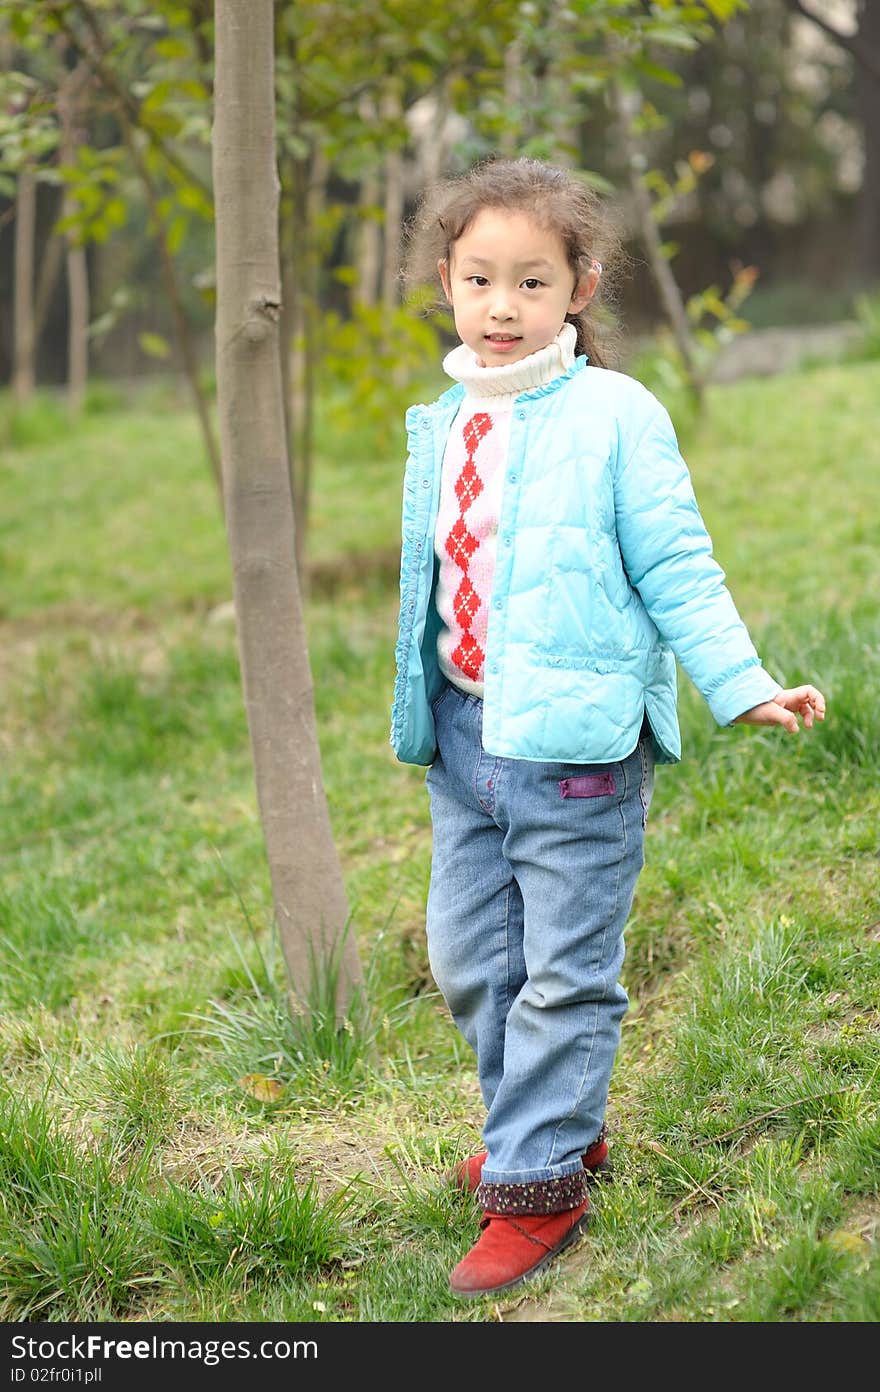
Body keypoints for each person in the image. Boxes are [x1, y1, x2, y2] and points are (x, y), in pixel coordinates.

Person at [388, 156, 826, 1300]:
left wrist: (738, 682)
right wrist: (422, 705)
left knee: (564, 976)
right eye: (478, 279)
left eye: (529, 283)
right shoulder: (440, 424)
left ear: (578, 286)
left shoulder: (617, 415)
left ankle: (539, 1184)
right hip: (463, 746)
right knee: (473, 964)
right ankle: (550, 1126)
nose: (500, 306)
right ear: (445, 280)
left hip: (576, 755)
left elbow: (676, 563)